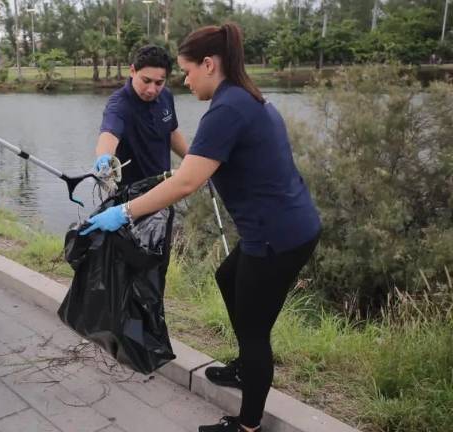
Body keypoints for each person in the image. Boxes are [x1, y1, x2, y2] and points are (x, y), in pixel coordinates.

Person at [81, 23, 321, 432]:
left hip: (276, 236)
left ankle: (248, 424)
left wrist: (123, 213)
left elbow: (186, 181)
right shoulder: (244, 98)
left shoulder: (227, 108)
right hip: (285, 227)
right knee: (228, 277)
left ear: (209, 64)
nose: (183, 81)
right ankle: (247, 366)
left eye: (187, 71)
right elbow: (199, 162)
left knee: (254, 329)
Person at [94, 45, 188, 185]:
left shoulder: (166, 95)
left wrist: (194, 160)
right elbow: (108, 135)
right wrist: (104, 159)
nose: (151, 90)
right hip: (131, 196)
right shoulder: (119, 104)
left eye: (159, 83)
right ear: (132, 71)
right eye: (146, 81)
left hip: (163, 188)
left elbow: (172, 133)